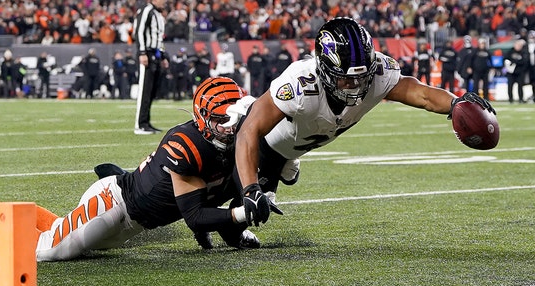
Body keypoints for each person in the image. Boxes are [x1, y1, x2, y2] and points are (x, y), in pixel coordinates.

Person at [0, 77, 266, 261]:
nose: (232, 125)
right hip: (113, 205)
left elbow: (220, 192)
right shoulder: (185, 144)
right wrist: (239, 217)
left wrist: (235, 229)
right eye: (223, 119)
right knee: (44, 250)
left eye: (234, 117)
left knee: (58, 229)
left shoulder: (234, 143)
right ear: (204, 120)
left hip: (132, 223)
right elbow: (194, 214)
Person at [229, 17, 495, 223]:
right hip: (254, 141)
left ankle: (283, 166)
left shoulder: (377, 73)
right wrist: (251, 188)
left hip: (295, 142)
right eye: (345, 78)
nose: (355, 86)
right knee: (232, 209)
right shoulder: (300, 84)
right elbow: (249, 131)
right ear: (324, 69)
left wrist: (454, 103)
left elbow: (420, 93)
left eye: (361, 77)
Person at [133, 0, 169, 135]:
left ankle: (146, 122)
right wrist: (142, 52)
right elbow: (139, 31)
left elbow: (160, 38)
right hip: (147, 52)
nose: (164, 2)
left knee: (151, 91)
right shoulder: (146, 10)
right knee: (144, 90)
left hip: (155, 54)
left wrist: (163, 56)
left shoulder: (158, 14)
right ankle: (140, 124)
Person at [504, 39, 529, 104]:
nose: (518, 46)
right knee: (510, 86)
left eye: (520, 45)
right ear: (515, 45)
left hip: (520, 72)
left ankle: (521, 99)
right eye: (517, 45)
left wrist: (515, 62)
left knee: (520, 86)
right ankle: (510, 99)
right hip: (511, 73)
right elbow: (505, 60)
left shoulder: (523, 52)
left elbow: (524, 62)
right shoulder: (510, 51)